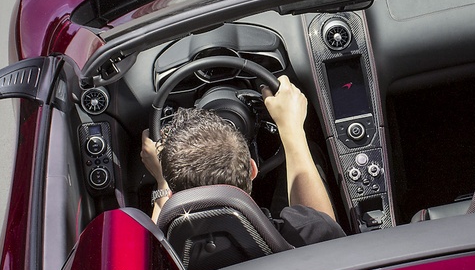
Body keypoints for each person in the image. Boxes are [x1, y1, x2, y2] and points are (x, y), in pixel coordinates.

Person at [142, 73, 345, 248]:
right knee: (312, 152)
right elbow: (321, 226)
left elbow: (156, 244)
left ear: (172, 194)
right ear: (253, 169)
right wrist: (291, 128)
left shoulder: (162, 258)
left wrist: (162, 180)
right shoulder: (308, 232)